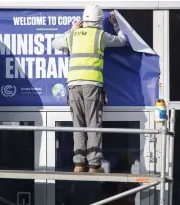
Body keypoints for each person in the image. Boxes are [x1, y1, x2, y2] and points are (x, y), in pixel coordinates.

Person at [52, 6, 127, 173]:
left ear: (84, 19)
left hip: (73, 85)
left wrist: (71, 30)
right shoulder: (100, 35)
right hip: (92, 85)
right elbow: (122, 41)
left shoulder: (72, 35)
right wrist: (116, 26)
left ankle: (78, 164)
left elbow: (55, 43)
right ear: (99, 20)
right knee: (93, 124)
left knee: (78, 125)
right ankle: (94, 165)